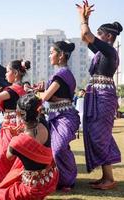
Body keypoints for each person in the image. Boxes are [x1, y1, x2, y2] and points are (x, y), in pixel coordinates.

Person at [76, 0, 123, 190]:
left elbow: (87, 34)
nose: (98, 36)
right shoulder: (102, 51)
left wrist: (83, 19)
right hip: (97, 95)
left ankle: (109, 179)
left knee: (100, 136)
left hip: (103, 96)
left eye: (101, 33)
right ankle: (106, 177)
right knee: (99, 135)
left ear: (109, 36)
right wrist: (85, 19)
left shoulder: (110, 50)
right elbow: (84, 37)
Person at [0, 93, 59, 200]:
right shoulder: (44, 124)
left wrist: (17, 136)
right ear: (37, 112)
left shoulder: (17, 142)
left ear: (18, 114)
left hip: (31, 188)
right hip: (50, 178)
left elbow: (8, 156)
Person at [36, 41, 80, 191]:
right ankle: (62, 179)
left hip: (65, 116)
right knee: (57, 148)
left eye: (51, 52)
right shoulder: (59, 74)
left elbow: (45, 97)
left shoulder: (62, 74)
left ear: (61, 55)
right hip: (55, 115)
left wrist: (32, 93)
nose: (50, 55)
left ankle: (68, 179)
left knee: (59, 148)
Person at [0, 60, 30, 190]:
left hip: (12, 128)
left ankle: (2, 183)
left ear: (15, 73)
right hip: (15, 127)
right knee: (8, 156)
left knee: (3, 156)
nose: (5, 75)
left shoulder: (11, 90)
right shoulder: (21, 89)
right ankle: (12, 181)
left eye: (7, 71)